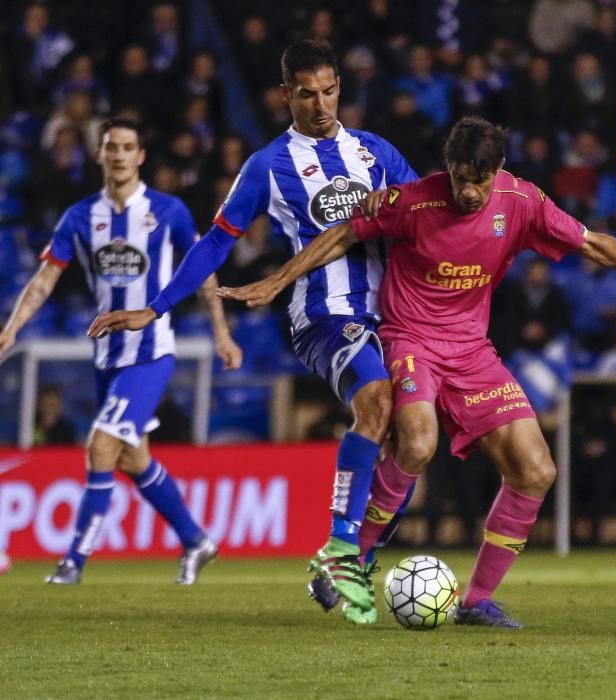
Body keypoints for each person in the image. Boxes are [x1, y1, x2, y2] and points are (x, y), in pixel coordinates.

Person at [207, 116, 616, 627]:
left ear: (498, 170)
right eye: (460, 178)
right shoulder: (415, 201)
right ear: (447, 168)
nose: (469, 192)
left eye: (479, 181)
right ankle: (352, 558)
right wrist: (277, 280)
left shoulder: (523, 202)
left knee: (536, 470)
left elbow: (590, 243)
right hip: (410, 340)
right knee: (416, 442)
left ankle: (476, 601)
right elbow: (342, 234)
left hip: (472, 351)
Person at [87, 40, 417, 625]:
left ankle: (352, 556)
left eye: (330, 90)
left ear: (340, 85)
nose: (321, 104)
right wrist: (155, 308)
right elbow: (216, 241)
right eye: (308, 94)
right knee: (378, 402)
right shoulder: (268, 165)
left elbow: (422, 217)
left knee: (415, 438)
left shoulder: (376, 151)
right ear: (285, 93)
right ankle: (344, 549)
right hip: (324, 317)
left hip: (395, 317)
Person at [0, 117, 243, 584]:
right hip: (107, 357)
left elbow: (201, 272)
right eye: (111, 147)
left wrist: (222, 333)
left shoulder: (168, 211)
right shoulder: (79, 217)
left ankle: (74, 561)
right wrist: (11, 329)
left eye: (127, 147)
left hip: (151, 351)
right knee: (133, 459)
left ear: (140, 156)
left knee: (101, 446)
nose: (118, 155)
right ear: (100, 155)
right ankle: (196, 540)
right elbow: (45, 279)